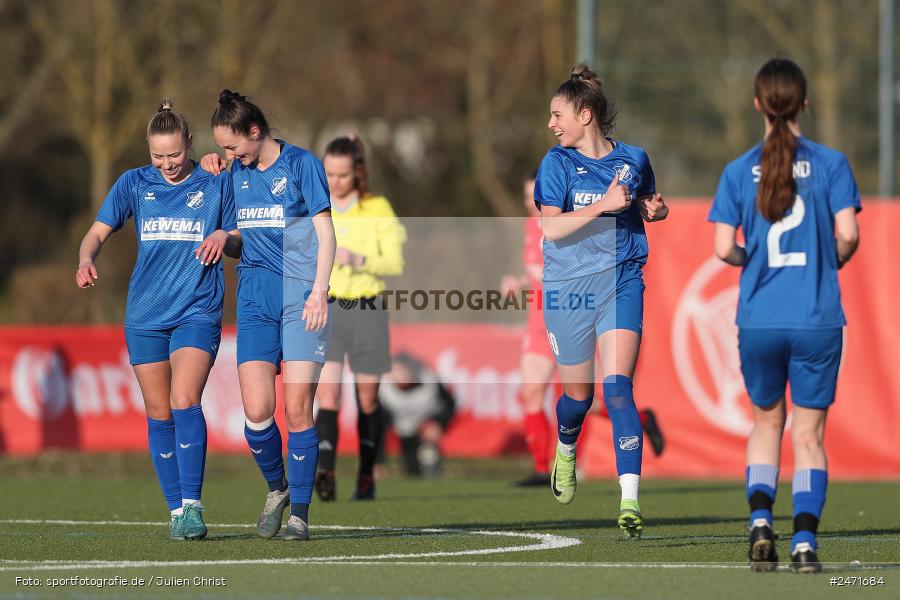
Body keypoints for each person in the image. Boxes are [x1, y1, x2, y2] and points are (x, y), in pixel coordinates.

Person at [709, 58, 860, 573]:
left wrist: (749, 262)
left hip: (760, 319)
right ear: (805, 104)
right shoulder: (831, 163)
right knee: (809, 436)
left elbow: (722, 248)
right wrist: (829, 258)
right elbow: (850, 237)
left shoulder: (736, 170)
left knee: (765, 423)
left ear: (757, 104)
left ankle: (759, 523)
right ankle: (803, 544)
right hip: (817, 317)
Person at [75, 100, 239, 541]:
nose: (167, 164)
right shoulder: (133, 182)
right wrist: (86, 259)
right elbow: (95, 232)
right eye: (157, 156)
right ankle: (174, 512)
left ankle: (193, 505)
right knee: (158, 410)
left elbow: (243, 237)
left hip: (197, 309)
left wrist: (226, 236)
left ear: (190, 143)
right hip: (145, 314)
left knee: (186, 400)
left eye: (175, 154)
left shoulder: (215, 180)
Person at [533, 64, 668, 538]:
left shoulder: (634, 158)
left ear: (585, 114)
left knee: (617, 391)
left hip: (621, 281)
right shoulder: (556, 164)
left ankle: (629, 501)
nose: (551, 124)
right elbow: (551, 228)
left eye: (557, 115)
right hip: (568, 289)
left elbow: (652, 202)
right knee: (578, 396)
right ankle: (566, 446)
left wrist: (656, 209)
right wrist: (601, 206)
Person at [200, 90, 335, 541]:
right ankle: (276, 487)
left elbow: (325, 232)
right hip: (255, 296)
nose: (227, 155)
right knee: (258, 414)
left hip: (301, 294)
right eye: (222, 148)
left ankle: (299, 511)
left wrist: (319, 291)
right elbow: (240, 237)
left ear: (254, 132)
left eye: (232, 146)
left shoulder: (301, 165)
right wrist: (224, 236)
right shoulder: (235, 174)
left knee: (298, 409)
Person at [502, 170, 666, 487]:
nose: (530, 205)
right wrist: (519, 282)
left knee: (582, 399)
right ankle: (541, 470)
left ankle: (640, 421)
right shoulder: (530, 226)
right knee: (531, 390)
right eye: (526, 198)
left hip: (571, 313)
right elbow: (534, 269)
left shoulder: (571, 222)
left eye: (534, 198)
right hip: (539, 318)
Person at [314, 135, 406, 501]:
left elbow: (396, 263)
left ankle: (367, 474)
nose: (334, 182)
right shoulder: (317, 207)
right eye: (328, 174)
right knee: (328, 395)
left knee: (367, 399)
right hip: (329, 308)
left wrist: (359, 260)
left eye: (341, 175)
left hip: (367, 308)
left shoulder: (377, 208)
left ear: (357, 172)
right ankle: (326, 472)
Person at [378, 353, 456, 478]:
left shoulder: (429, 382)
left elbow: (450, 404)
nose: (400, 375)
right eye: (396, 370)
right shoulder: (385, 391)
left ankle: (433, 476)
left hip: (426, 427)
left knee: (429, 456)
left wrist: (438, 423)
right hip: (405, 431)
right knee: (412, 470)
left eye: (403, 370)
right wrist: (378, 461)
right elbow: (378, 426)